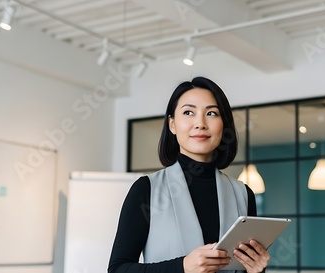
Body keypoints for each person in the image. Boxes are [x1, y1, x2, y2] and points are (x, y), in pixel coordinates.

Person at [108, 76, 270, 273]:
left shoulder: (243, 193)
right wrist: (182, 266)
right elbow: (118, 269)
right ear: (172, 124)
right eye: (188, 112)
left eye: (211, 113)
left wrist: (257, 270)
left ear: (224, 125)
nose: (200, 123)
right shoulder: (147, 189)